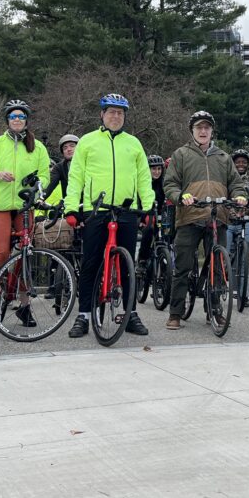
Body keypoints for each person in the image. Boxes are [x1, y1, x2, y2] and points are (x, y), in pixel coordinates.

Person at [65, 94, 154, 339]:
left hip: (127, 210)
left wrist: (147, 208)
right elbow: (76, 177)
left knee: (128, 266)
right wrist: (72, 208)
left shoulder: (134, 143)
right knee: (91, 263)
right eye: (111, 112)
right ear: (102, 115)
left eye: (120, 113)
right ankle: (84, 315)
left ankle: (130, 313)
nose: (116, 116)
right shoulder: (87, 141)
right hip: (96, 209)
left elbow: (144, 178)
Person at [162, 111, 247, 330]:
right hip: (190, 217)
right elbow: (170, 184)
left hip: (218, 217)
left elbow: (236, 184)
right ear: (192, 131)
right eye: (199, 127)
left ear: (212, 131)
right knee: (182, 266)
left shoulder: (223, 157)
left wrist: (240, 196)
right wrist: (181, 196)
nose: (203, 131)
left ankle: (214, 310)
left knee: (217, 267)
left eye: (207, 128)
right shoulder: (181, 154)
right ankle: (175, 313)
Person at [0, 100, 50, 326]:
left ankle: (24, 305)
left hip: (23, 205)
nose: (17, 120)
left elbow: (45, 177)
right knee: (1, 253)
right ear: (7, 120)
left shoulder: (37, 147)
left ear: (26, 120)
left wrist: (37, 190)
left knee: (26, 254)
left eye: (20, 116)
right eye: (12, 117)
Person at [225, 148, 249, 308]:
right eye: (238, 162)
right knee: (225, 255)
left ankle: (243, 295)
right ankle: (220, 287)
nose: (241, 164)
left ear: (247, 164)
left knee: (243, 260)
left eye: (244, 162)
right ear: (233, 164)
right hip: (227, 222)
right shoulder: (226, 178)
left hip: (245, 222)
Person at [137, 154, 167, 270]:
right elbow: (138, 203)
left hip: (159, 216)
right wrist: (142, 217)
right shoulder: (143, 183)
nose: (157, 172)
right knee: (148, 230)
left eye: (159, 169)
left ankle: (166, 265)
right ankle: (142, 259)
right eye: (153, 169)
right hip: (143, 216)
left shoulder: (163, 184)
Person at [39, 134, 79, 215]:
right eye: (65, 147)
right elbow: (50, 183)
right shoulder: (59, 167)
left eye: (72, 146)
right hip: (70, 206)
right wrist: (40, 198)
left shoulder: (88, 164)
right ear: (62, 152)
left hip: (88, 206)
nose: (69, 149)